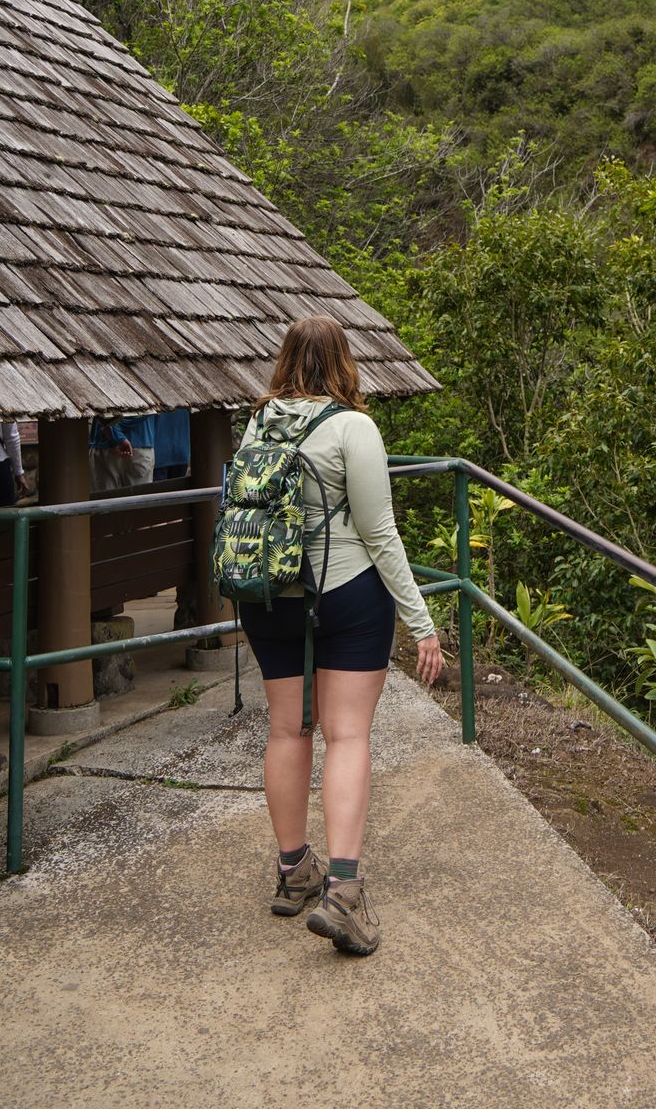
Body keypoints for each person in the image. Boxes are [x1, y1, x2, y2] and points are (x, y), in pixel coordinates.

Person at [235, 314, 443, 955]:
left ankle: (294, 870)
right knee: (347, 734)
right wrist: (422, 622)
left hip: (268, 595)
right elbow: (380, 535)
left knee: (286, 728)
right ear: (345, 361)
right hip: (346, 596)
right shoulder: (354, 427)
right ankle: (345, 894)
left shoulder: (261, 419)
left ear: (286, 359)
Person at [89, 413, 156, 491]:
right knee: (139, 500)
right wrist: (116, 433)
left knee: (105, 500)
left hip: (104, 444)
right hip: (140, 443)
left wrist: (113, 430)